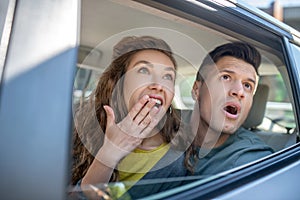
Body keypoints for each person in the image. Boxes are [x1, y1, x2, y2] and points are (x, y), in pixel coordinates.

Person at [71, 36, 193, 199]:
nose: (158, 85)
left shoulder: (182, 149)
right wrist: (108, 155)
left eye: (168, 76)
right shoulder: (80, 131)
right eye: (144, 70)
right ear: (118, 83)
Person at [187, 42, 274, 177]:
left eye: (247, 85)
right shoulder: (164, 126)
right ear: (197, 90)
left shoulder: (252, 160)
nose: (239, 92)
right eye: (226, 77)